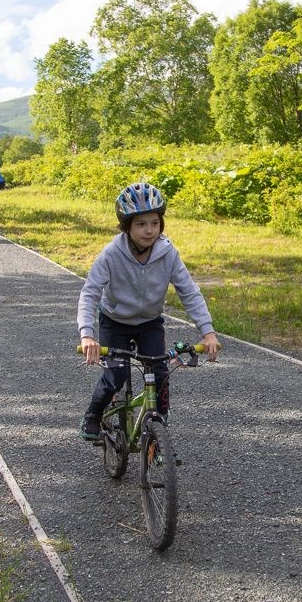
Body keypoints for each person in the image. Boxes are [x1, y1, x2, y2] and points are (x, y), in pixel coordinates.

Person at [76, 182, 221, 441]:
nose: (149, 230)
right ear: (127, 226)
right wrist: (87, 335)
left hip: (149, 323)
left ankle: (159, 422)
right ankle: (93, 414)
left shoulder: (168, 253)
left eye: (155, 223)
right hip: (115, 321)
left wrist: (207, 332)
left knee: (161, 371)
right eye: (141, 224)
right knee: (115, 377)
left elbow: (188, 290)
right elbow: (90, 293)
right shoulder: (111, 254)